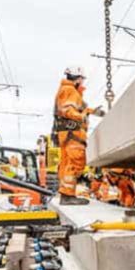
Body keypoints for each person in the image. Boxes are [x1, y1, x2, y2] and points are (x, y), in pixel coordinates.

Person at [53, 67, 101, 205]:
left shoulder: (68, 90)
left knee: (67, 164)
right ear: (78, 78)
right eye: (82, 79)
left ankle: (66, 195)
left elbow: (75, 107)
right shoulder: (69, 90)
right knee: (75, 163)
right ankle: (68, 196)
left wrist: (92, 111)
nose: (83, 82)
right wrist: (81, 116)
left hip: (69, 133)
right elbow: (67, 109)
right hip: (72, 133)